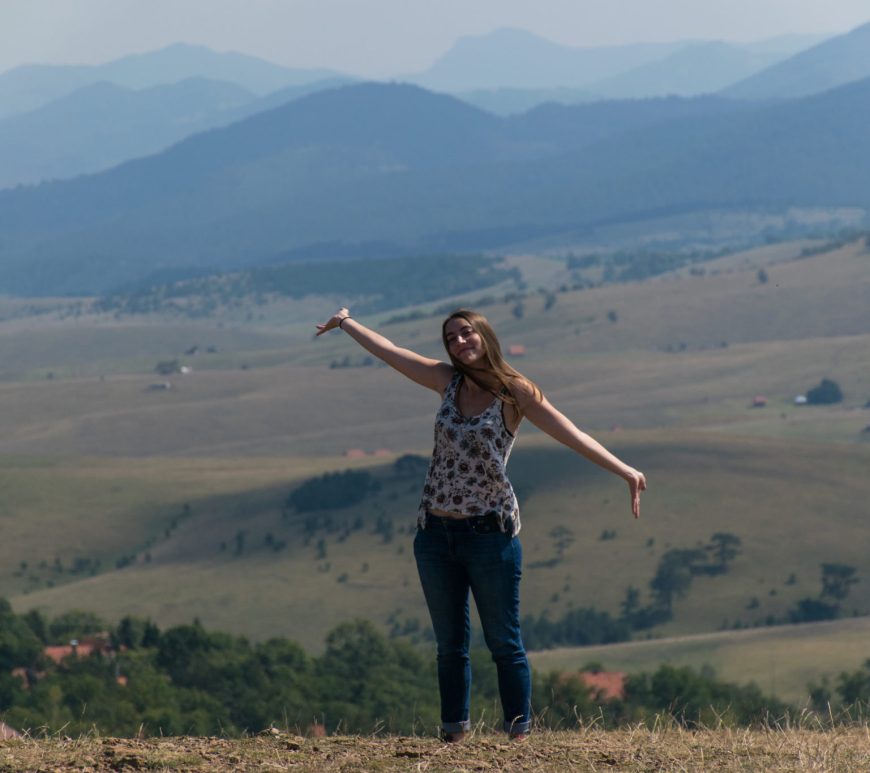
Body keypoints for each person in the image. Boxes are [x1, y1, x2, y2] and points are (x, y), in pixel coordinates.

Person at [316, 306, 646, 741]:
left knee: (503, 643)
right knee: (449, 646)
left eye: (466, 333)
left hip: (490, 536)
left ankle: (518, 736)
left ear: (485, 336)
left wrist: (626, 471)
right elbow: (392, 353)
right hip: (434, 533)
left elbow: (572, 433)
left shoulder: (516, 392)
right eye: (451, 338)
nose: (459, 343)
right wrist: (345, 323)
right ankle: (454, 734)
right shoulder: (445, 381)